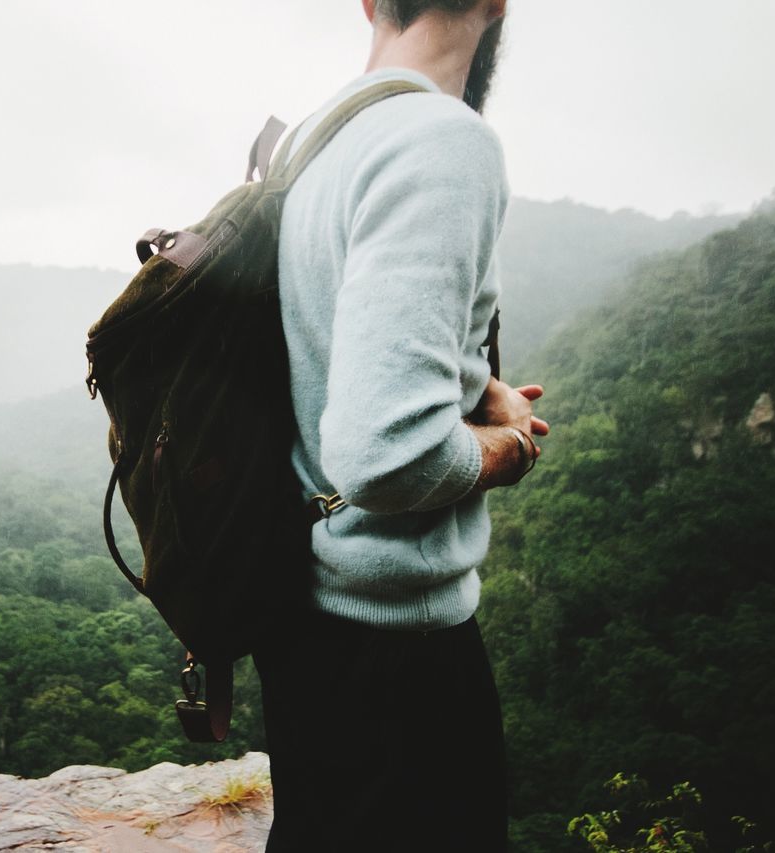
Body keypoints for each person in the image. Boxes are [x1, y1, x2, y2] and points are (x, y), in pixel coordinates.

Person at [253, 1, 547, 849]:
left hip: (307, 622)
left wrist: (476, 385)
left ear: (370, 1)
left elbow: (328, 346)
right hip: (396, 655)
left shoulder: (316, 141)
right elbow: (388, 457)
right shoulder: (440, 140)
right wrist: (509, 448)